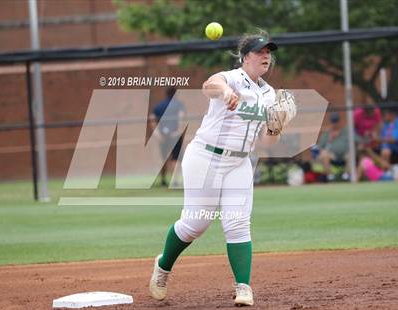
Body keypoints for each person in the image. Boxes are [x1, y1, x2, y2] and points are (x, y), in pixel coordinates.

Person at [149, 31, 290, 307]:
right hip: (205, 158)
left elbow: (266, 142)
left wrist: (277, 126)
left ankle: (243, 287)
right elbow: (209, 85)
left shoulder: (269, 94)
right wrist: (226, 93)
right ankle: (163, 267)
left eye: (268, 52)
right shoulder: (230, 78)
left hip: (239, 162)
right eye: (260, 51)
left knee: (237, 222)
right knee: (195, 224)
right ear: (245, 57)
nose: (266, 56)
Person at [151, 87, 185, 186]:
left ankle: (163, 180)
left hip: (163, 135)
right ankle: (174, 181)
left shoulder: (159, 106)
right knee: (176, 157)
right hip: (174, 134)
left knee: (163, 157)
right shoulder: (178, 105)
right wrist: (178, 131)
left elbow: (152, 120)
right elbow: (180, 117)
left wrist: (157, 134)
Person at [314, 112, 350, 181]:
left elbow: (357, 140)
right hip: (332, 156)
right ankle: (330, 176)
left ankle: (346, 176)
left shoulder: (346, 131)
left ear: (339, 122)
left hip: (344, 156)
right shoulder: (326, 133)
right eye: (333, 122)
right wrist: (330, 138)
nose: (335, 124)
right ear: (330, 122)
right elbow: (320, 147)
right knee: (324, 154)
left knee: (350, 154)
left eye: (336, 121)